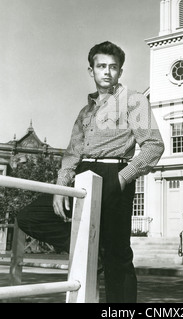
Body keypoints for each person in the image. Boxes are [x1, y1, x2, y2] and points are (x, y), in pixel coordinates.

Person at [17, 41, 165, 303]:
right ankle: (92, 252)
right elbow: (72, 153)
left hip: (115, 174)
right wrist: (61, 187)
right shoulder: (85, 112)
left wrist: (122, 177)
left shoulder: (135, 101)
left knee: (117, 255)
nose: (107, 72)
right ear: (91, 70)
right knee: (30, 217)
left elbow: (154, 146)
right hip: (81, 176)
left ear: (120, 71)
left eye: (113, 67)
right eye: (101, 66)